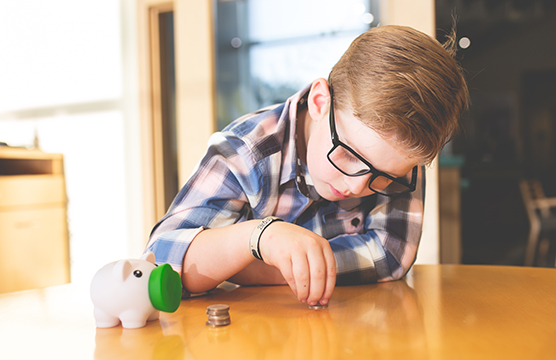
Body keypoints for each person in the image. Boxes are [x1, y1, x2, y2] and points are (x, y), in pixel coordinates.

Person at [145, 25, 469, 307]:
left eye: (383, 178)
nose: (358, 186)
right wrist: (259, 238)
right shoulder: (244, 151)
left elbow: (391, 255)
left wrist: (240, 267)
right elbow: (160, 264)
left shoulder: (398, 157)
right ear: (319, 102)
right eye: (349, 154)